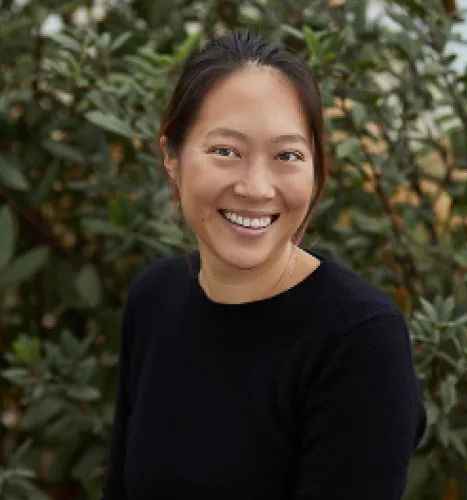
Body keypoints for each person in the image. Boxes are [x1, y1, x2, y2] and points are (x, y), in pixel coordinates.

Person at [101, 29, 427, 500]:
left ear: (315, 168)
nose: (257, 187)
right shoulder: (154, 298)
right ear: (171, 157)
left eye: (287, 156)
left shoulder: (360, 341)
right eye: (226, 151)